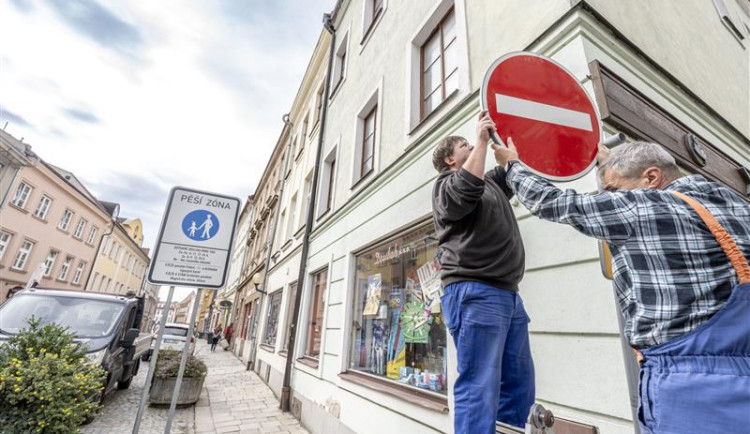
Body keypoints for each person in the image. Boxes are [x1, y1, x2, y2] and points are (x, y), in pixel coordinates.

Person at [494, 138, 750, 433]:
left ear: (651, 177)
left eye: (613, 190)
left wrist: (511, 165)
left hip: (689, 386)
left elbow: (553, 202)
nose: (612, 197)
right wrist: (611, 164)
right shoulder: (736, 207)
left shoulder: (644, 205)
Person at [431, 112, 535, 434]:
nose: (472, 143)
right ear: (451, 159)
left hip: (509, 294)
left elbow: (512, 167)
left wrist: (510, 142)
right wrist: (479, 140)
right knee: (479, 387)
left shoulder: (489, 183)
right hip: (475, 292)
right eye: (463, 144)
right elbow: (466, 188)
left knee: (518, 385)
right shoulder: (446, 186)